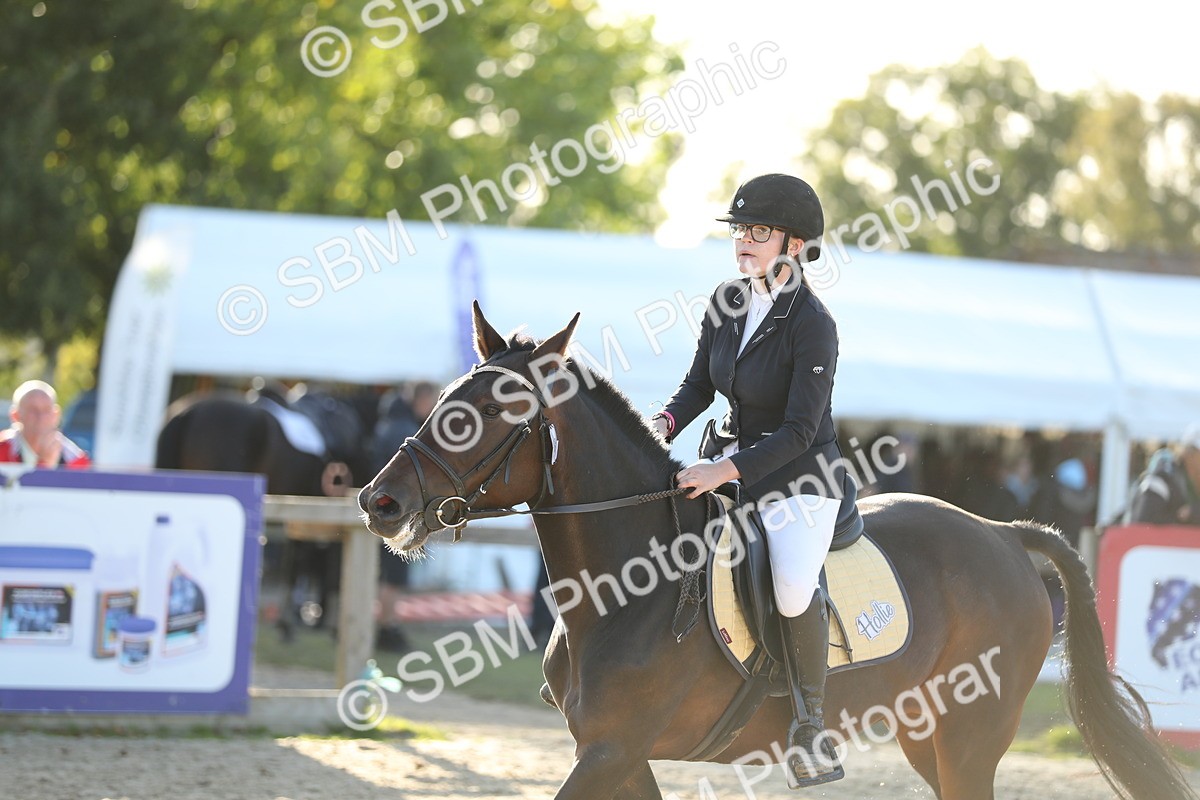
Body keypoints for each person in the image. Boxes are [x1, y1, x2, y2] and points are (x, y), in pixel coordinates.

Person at [651, 173, 849, 788]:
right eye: (739, 230)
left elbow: (797, 431)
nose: (744, 241)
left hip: (801, 478)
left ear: (793, 244)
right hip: (730, 462)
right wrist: (661, 423)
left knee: (791, 586)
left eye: (757, 232)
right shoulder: (725, 301)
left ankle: (811, 725)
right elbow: (697, 387)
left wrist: (721, 470)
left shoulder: (813, 323)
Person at [0, 380, 91, 469]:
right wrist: (44, 465)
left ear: (56, 415)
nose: (40, 416)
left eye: (46, 410)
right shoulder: (2, 450)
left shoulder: (76, 461)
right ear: (15, 416)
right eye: (32, 410)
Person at [1125, 424, 1200, 525]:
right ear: (1188, 453)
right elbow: (1142, 524)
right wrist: (1183, 518)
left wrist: (1193, 513)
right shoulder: (1162, 479)